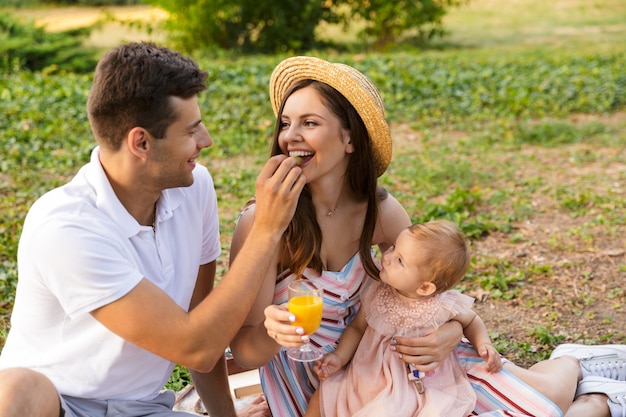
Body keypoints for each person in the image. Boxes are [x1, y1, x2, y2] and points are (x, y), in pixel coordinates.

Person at [227, 55, 626, 417]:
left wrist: (450, 333)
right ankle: (594, 399)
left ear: (350, 139)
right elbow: (244, 350)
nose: (289, 136)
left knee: (544, 403)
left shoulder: (380, 212)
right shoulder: (264, 221)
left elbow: (430, 288)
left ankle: (573, 365)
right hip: (314, 384)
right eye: (285, 123)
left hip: (396, 371)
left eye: (309, 123)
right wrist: (277, 334)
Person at [0, 42, 306, 417]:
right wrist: (266, 230)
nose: (206, 140)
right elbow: (196, 346)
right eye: (191, 131)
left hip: (144, 410)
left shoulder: (195, 189)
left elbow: (203, 321)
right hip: (59, 405)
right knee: (13, 390)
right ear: (141, 142)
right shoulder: (65, 227)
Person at [309, 220, 502, 417]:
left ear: (425, 287)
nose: (387, 257)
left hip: (410, 385)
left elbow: (471, 321)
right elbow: (357, 329)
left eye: (400, 260)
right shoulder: (377, 292)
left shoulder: (440, 305)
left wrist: (483, 344)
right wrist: (339, 357)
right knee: (324, 396)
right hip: (366, 375)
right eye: (393, 248)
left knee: (386, 410)